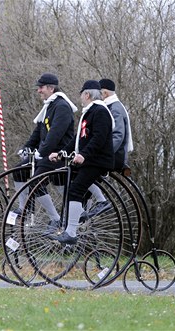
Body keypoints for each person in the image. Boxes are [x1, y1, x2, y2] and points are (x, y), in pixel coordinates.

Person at [48, 80, 114, 245]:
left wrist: (84, 154)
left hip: (97, 161)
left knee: (75, 190)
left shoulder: (100, 111)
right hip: (89, 160)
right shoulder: (90, 112)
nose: (80, 98)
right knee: (72, 182)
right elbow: (78, 140)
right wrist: (62, 153)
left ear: (87, 94)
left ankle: (71, 232)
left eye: (81, 95)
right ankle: (82, 214)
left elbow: (99, 137)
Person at [12, 73, 77, 225]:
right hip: (47, 153)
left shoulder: (62, 106)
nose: (38, 91)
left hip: (59, 155)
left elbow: (55, 134)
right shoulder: (49, 105)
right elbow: (39, 131)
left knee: (36, 182)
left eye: (41, 87)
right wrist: (28, 147)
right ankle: (23, 208)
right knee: (19, 171)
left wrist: (41, 153)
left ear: (51, 88)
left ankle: (56, 219)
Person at [81, 78, 134, 219]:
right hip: (111, 153)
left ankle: (98, 202)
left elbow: (118, 136)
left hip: (115, 156)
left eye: (99, 93)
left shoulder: (114, 108)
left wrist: (102, 153)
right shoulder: (111, 107)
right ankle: (86, 206)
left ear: (104, 93)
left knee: (85, 167)